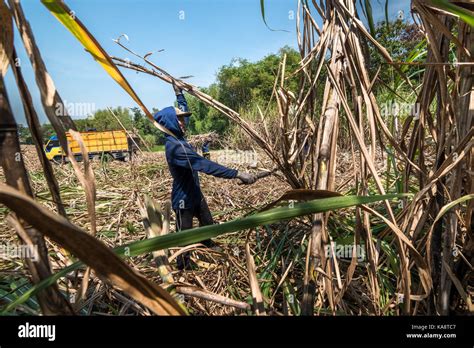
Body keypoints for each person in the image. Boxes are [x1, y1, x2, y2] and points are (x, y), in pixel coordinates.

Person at [153, 84, 256, 270]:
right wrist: (237, 173)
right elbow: (205, 165)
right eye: (180, 120)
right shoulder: (175, 147)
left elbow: (183, 111)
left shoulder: (179, 136)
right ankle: (183, 265)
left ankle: (207, 246)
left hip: (195, 193)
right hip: (183, 199)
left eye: (184, 120)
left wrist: (179, 93)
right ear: (170, 122)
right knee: (184, 236)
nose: (184, 122)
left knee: (208, 224)